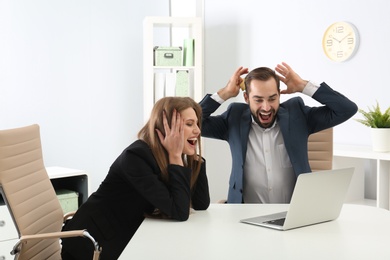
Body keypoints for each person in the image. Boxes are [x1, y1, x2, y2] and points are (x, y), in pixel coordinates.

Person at [61, 97, 210, 260]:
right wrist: (176, 155)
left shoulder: (167, 156)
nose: (197, 131)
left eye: (196, 124)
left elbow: (201, 203)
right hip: (91, 243)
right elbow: (179, 211)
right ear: (166, 127)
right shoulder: (136, 157)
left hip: (125, 234)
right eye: (189, 124)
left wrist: (193, 157)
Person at [199, 62, 357, 204]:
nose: (266, 107)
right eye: (258, 100)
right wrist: (225, 93)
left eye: (272, 98)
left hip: (295, 213)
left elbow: (346, 109)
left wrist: (303, 86)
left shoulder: (297, 114)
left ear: (279, 95)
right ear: (246, 98)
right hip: (245, 216)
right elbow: (193, 123)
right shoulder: (234, 118)